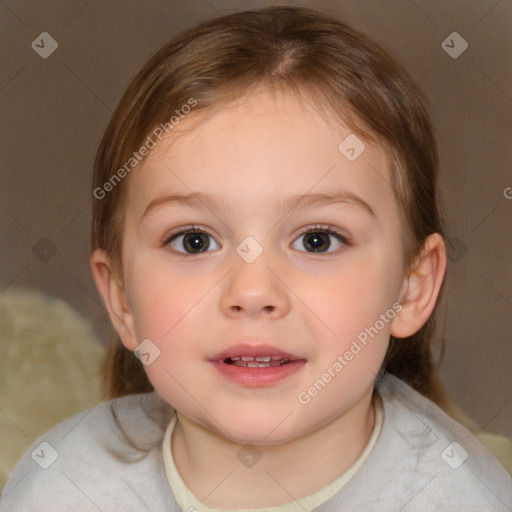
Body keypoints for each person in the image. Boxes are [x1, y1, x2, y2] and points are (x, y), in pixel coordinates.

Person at [1, 6, 511, 511]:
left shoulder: (464, 498)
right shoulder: (63, 489)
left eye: (317, 240)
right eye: (194, 241)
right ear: (120, 298)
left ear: (411, 287)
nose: (252, 292)